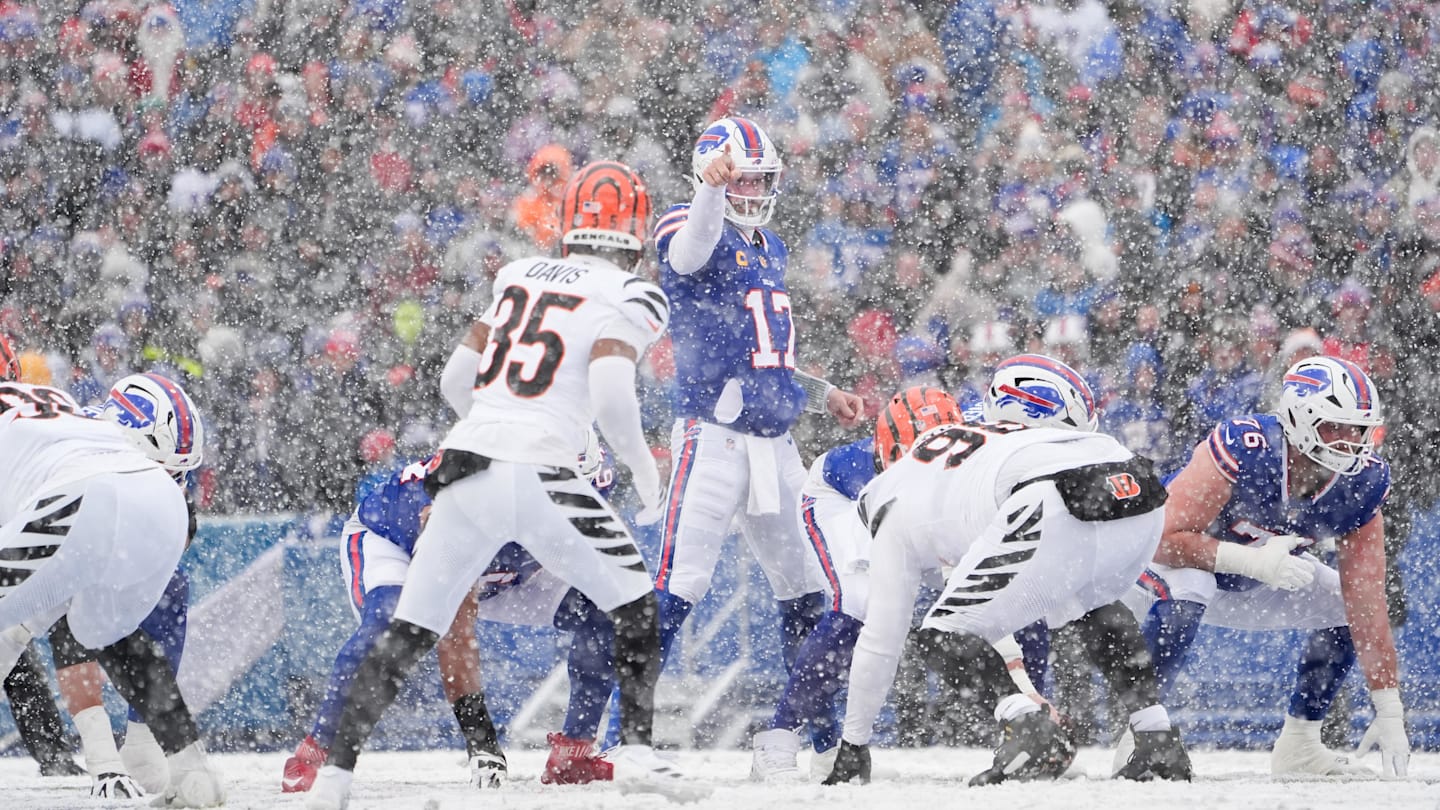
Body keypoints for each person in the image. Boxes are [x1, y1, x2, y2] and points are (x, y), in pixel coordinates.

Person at [306, 161, 706, 809]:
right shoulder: (635, 294)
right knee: (634, 603)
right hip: (544, 465)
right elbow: (608, 387)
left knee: (411, 627)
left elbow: (452, 382)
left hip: (464, 463)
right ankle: (634, 749)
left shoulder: (517, 273)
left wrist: (496, 426)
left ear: (570, 220)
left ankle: (336, 776)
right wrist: (641, 463)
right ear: (635, 229)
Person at [826, 384, 1186, 786]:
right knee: (1087, 603)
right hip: (1134, 483)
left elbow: (881, 638)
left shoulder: (886, 494)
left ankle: (1029, 730)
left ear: (885, 454)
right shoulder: (979, 441)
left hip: (1052, 496)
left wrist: (853, 744)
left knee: (939, 633)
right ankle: (1157, 737)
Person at [650, 117, 865, 693]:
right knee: (679, 585)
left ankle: (803, 736)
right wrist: (710, 191)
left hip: (776, 443)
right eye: (741, 180)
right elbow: (690, 254)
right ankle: (621, 734)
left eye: (759, 180)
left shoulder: (771, 247)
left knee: (805, 588)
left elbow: (766, 357)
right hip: (713, 437)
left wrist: (823, 394)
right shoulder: (688, 219)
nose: (753, 192)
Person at [284, 438, 620, 793]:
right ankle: (314, 751)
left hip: (505, 558)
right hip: (394, 543)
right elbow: (456, 633)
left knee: (607, 613)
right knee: (385, 629)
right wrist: (482, 742)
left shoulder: (591, 470)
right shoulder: (469, 500)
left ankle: (574, 753)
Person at [1130, 356, 1409, 777]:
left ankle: (1300, 743)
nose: (1349, 442)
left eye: (1357, 429)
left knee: (1341, 602)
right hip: (1157, 566)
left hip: (1253, 579)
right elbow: (1162, 539)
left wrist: (1389, 707)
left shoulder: (1362, 481)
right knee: (1192, 586)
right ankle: (1139, 735)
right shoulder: (1247, 446)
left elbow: (1366, 601)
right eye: (1335, 427)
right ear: (1299, 419)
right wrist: (1250, 560)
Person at [0, 377, 224, 807]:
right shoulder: (60, 405)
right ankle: (191, 767)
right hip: (158, 501)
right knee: (106, 635)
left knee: (27, 627)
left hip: (77, 496)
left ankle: (127, 756)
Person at [751, 385, 967, 781]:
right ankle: (779, 739)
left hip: (923, 518)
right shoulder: (859, 469)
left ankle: (1030, 721)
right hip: (841, 507)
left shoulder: (974, 450)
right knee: (859, 604)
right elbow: (895, 536)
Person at [46, 372, 206, 799]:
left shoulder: (155, 473)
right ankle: (102, 759)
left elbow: (183, 523)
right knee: (52, 613)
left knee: (170, 588)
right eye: (165, 469)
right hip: (35, 538)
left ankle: (141, 741)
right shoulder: (79, 457)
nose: (174, 480)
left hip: (101, 533)